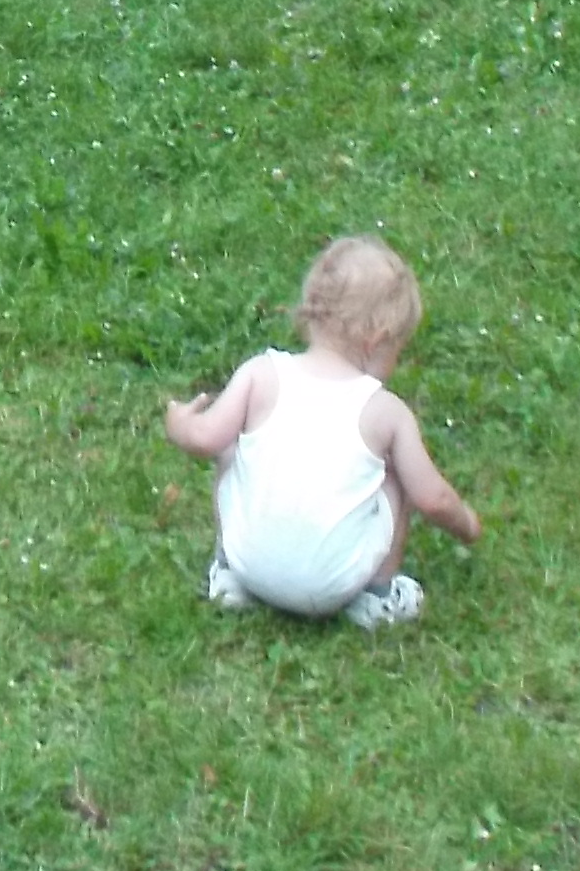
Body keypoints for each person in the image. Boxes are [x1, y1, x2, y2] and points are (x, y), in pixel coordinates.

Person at [162, 235, 482, 630]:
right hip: (333, 586)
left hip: (250, 563)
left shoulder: (262, 373)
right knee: (396, 475)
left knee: (230, 447)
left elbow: (205, 438)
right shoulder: (385, 412)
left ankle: (229, 575)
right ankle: (377, 597)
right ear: (377, 340)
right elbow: (433, 499)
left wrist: (179, 424)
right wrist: (468, 524)